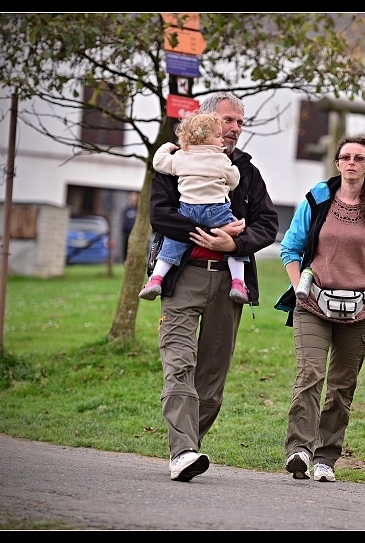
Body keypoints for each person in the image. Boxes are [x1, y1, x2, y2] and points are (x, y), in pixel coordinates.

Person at [148, 91, 279, 482]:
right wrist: (208, 233)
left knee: (212, 378)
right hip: (182, 276)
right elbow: (160, 216)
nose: (235, 129)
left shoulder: (245, 171)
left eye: (240, 122)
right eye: (228, 120)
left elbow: (267, 225)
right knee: (179, 362)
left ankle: (189, 447)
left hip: (229, 282)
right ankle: (183, 450)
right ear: (204, 122)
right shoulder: (176, 162)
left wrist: (234, 244)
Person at [274, 135, 365, 483]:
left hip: (361, 309)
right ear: (337, 163)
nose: (351, 162)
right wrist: (298, 288)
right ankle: (299, 451)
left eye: (358, 158)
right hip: (313, 303)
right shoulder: (317, 199)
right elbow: (289, 248)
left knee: (340, 386)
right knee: (310, 376)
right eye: (345, 157)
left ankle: (325, 458)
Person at [140, 113, 249, 304]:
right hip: (216, 210)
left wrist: (167, 146)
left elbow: (159, 162)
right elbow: (234, 180)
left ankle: (155, 279)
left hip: (187, 210)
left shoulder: (181, 157)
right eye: (217, 136)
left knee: (173, 241)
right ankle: (238, 282)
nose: (221, 139)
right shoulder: (221, 159)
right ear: (204, 138)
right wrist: (225, 185)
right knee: (235, 237)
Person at [120, 191, 138, 264]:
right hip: (127, 233)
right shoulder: (126, 210)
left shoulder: (138, 210)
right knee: (125, 248)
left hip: (135, 233)